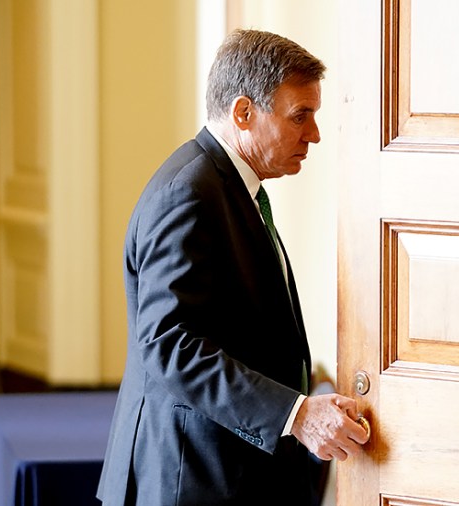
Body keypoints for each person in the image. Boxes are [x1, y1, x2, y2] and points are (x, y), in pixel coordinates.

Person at [96, 29, 368, 506]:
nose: (315, 134)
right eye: (299, 116)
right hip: (191, 477)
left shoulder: (233, 186)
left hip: (233, 471)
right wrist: (297, 415)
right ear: (244, 112)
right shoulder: (189, 191)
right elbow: (169, 343)